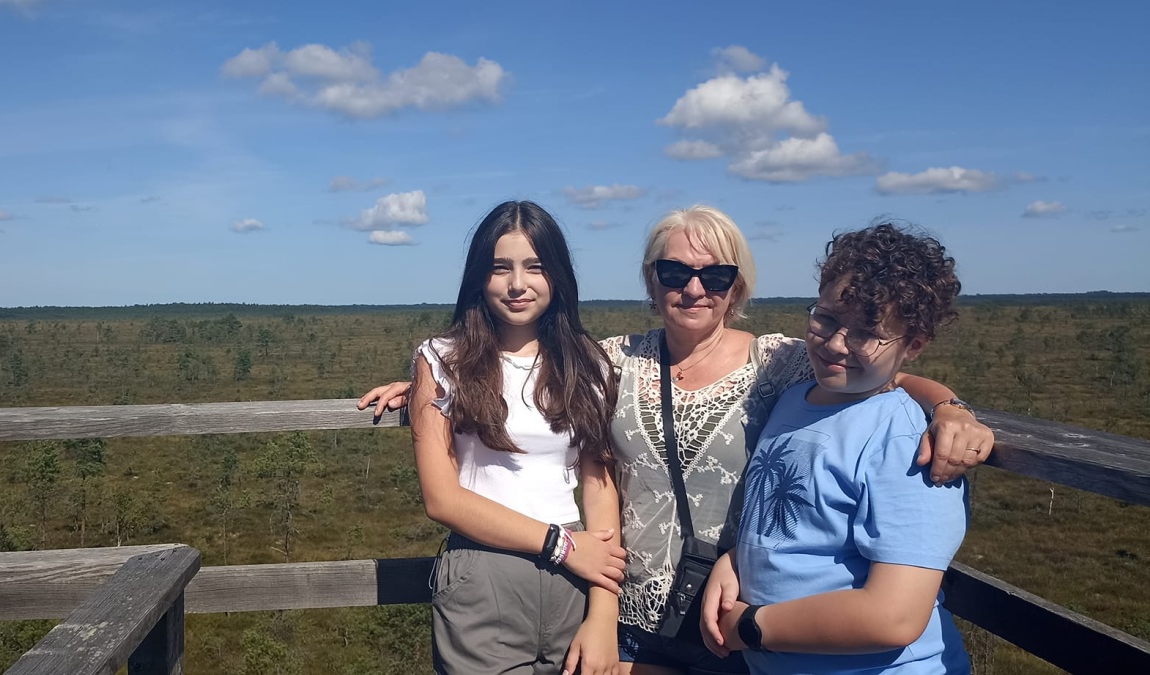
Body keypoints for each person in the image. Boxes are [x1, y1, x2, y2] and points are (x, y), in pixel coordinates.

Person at [360, 206, 994, 675]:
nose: (693, 288)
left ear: (737, 286)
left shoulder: (781, 363)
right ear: (651, 279)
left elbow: (880, 370)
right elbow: (521, 365)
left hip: (732, 623)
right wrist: (434, 383)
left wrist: (949, 406)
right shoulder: (610, 360)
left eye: (715, 276)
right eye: (674, 271)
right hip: (632, 617)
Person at [699, 223, 971, 674]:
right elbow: (796, 526)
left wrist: (753, 627)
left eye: (866, 333)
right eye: (825, 318)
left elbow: (894, 617)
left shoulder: (907, 443)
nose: (836, 343)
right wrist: (737, 561)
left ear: (914, 345)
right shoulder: (794, 400)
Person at [410, 200, 627, 675]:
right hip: (484, 571)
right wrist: (561, 545)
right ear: (478, 277)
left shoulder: (587, 363)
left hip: (576, 575)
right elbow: (441, 499)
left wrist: (604, 612)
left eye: (535, 266)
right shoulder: (441, 360)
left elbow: (599, 484)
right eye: (499, 268)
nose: (516, 284)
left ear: (558, 275)